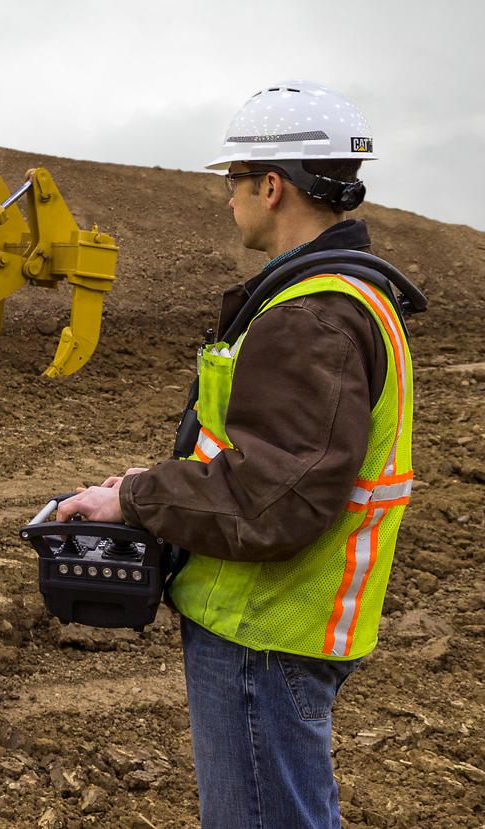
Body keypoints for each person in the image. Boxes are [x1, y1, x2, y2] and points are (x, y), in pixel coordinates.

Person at [55, 81, 415, 828]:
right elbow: (268, 459)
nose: (228, 198)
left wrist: (136, 499)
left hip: (262, 629)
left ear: (274, 186)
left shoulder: (311, 317)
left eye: (235, 181)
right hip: (280, 622)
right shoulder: (348, 295)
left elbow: (274, 497)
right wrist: (154, 482)